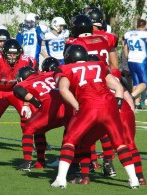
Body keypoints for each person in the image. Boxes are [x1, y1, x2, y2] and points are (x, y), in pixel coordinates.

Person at [51, 44, 139, 189]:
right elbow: (118, 87)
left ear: (68, 58)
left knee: (70, 140)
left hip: (89, 106)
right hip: (109, 106)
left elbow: (63, 89)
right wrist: (116, 107)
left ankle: (60, 178)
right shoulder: (99, 64)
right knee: (119, 143)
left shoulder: (65, 69)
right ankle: (133, 179)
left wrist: (76, 106)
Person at [65, 14, 117, 177]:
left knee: (79, 126)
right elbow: (114, 65)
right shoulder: (104, 39)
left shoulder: (75, 43)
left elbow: (70, 68)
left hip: (86, 87)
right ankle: (108, 163)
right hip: (106, 85)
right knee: (103, 128)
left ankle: (79, 163)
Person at [13, 64, 71, 171]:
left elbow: (19, 90)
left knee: (28, 128)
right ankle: (90, 163)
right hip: (67, 104)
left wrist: (37, 103)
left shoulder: (24, 83)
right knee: (73, 133)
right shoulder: (49, 74)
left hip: (50, 107)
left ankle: (27, 162)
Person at [123, 19, 147, 109]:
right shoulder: (145, 34)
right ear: (145, 26)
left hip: (131, 60)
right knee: (145, 82)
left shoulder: (129, 34)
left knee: (136, 82)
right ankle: (130, 96)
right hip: (141, 60)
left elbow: (125, 49)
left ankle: (136, 104)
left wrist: (128, 57)